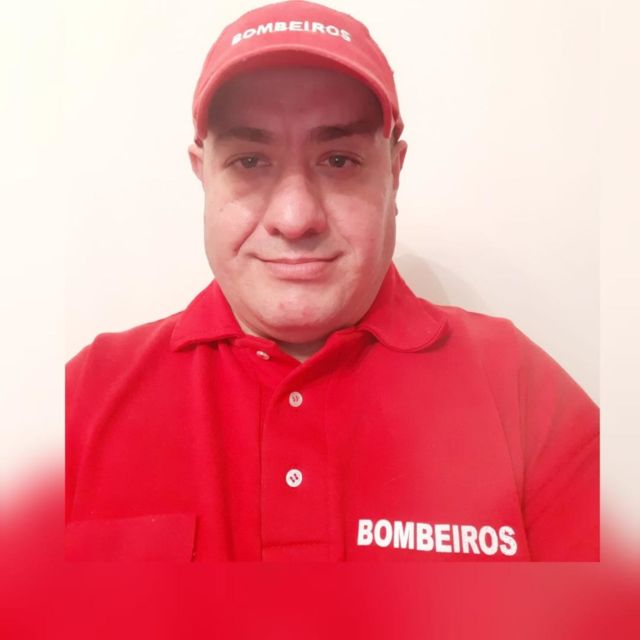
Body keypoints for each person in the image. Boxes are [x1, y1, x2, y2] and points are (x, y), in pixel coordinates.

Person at [65, 0, 598, 561]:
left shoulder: (523, 394)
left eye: (339, 160)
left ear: (394, 172)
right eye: (250, 161)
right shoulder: (84, 400)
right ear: (203, 175)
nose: (295, 219)